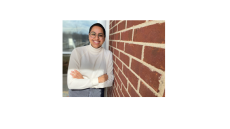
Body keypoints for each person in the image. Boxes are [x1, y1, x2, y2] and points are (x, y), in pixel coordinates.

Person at [67, 23, 114, 97]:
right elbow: (71, 83)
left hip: (97, 95)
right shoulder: (77, 52)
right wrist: (98, 79)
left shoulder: (108, 54)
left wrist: (82, 78)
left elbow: (110, 81)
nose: (96, 38)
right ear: (89, 36)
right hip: (77, 94)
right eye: (93, 34)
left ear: (104, 38)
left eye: (100, 35)